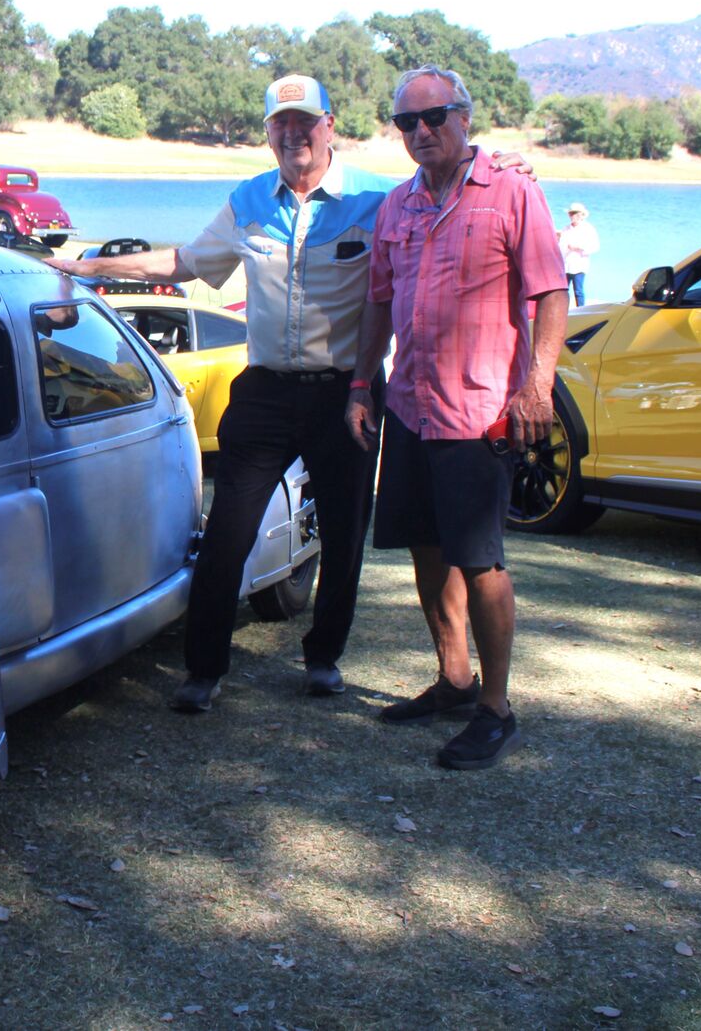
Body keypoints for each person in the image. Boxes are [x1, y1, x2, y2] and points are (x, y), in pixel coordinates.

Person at [45, 74, 530, 714]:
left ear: (330, 126)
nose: (293, 134)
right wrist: (88, 268)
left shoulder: (379, 199)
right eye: (281, 123)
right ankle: (204, 669)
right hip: (265, 391)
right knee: (228, 532)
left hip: (346, 393)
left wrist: (498, 163)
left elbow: (448, 190)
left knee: (344, 535)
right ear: (269, 132)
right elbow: (185, 263)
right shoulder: (248, 199)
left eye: (306, 121)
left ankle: (324, 658)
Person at [347, 66, 568, 771]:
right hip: (411, 403)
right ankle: (453, 678)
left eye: (433, 117)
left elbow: (551, 292)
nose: (420, 132)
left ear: (464, 118)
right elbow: (379, 301)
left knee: (480, 559)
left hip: (480, 412)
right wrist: (362, 383)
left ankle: (496, 710)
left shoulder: (512, 190)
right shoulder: (397, 205)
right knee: (425, 546)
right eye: (405, 122)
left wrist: (538, 385)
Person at [557, 201, 598, 306]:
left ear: (581, 215)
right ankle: (563, 309)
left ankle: (580, 310)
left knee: (578, 290)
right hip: (566, 264)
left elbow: (594, 246)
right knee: (563, 290)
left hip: (580, 265)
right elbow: (561, 246)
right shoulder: (566, 229)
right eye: (570, 213)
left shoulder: (588, 229)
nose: (572, 216)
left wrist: (578, 247)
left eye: (574, 213)